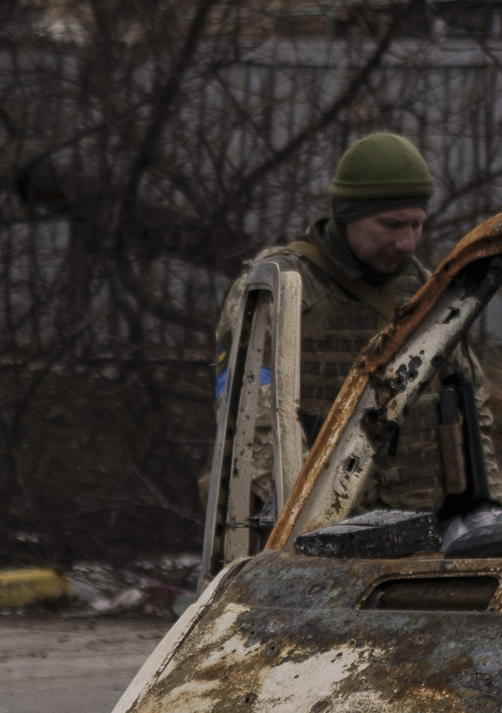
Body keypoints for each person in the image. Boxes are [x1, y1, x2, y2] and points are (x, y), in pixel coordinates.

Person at [203, 129, 485, 565]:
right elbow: (246, 427)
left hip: (416, 540)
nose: (407, 242)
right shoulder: (278, 289)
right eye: (391, 225)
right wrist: (278, 540)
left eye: (416, 224)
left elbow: (471, 405)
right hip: (310, 543)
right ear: (346, 215)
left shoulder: (427, 293)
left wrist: (487, 510)